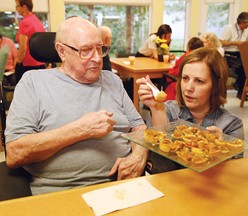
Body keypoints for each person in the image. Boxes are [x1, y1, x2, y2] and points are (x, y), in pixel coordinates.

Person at [4, 17, 148, 195]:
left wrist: (138, 156)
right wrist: (80, 129)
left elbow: (139, 127)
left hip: (123, 187)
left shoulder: (112, 80)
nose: (97, 58)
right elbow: (15, 153)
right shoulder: (33, 83)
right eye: (86, 50)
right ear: (62, 51)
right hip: (65, 192)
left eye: (100, 48)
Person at [136, 47, 244, 174]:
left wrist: (221, 149)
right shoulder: (169, 109)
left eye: (199, 81)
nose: (188, 88)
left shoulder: (232, 124)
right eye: (185, 78)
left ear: (216, 85)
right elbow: (158, 147)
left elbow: (234, 174)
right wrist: (156, 108)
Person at [220, 12, 248, 100]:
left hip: (242, 53)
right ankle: (240, 89)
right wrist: (234, 43)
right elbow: (221, 42)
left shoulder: (246, 30)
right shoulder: (229, 28)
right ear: (242, 22)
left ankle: (240, 87)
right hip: (230, 54)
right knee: (243, 67)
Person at [15, 0, 46, 84]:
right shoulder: (38, 22)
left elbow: (23, 48)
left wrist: (17, 62)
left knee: (24, 93)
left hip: (28, 66)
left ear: (24, 7)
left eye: (17, 6)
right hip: (40, 64)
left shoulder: (24, 22)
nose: (16, 9)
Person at [164, 37, 204, 101]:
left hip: (177, 83)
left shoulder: (186, 57)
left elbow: (175, 72)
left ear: (188, 48)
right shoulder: (203, 59)